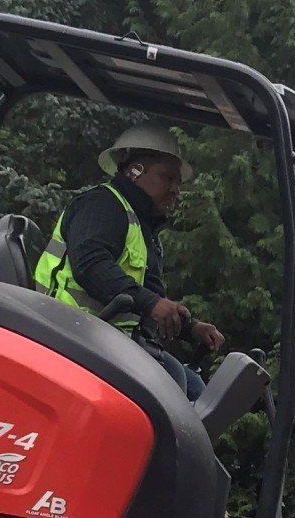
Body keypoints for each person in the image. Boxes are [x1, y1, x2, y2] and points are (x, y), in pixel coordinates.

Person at [34, 123, 223, 393]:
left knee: (193, 387)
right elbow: (90, 265)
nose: (176, 189)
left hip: (106, 337)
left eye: (178, 182)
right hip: (72, 333)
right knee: (174, 384)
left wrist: (189, 328)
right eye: (168, 177)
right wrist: (152, 303)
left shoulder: (141, 226)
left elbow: (149, 298)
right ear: (135, 172)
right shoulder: (103, 206)